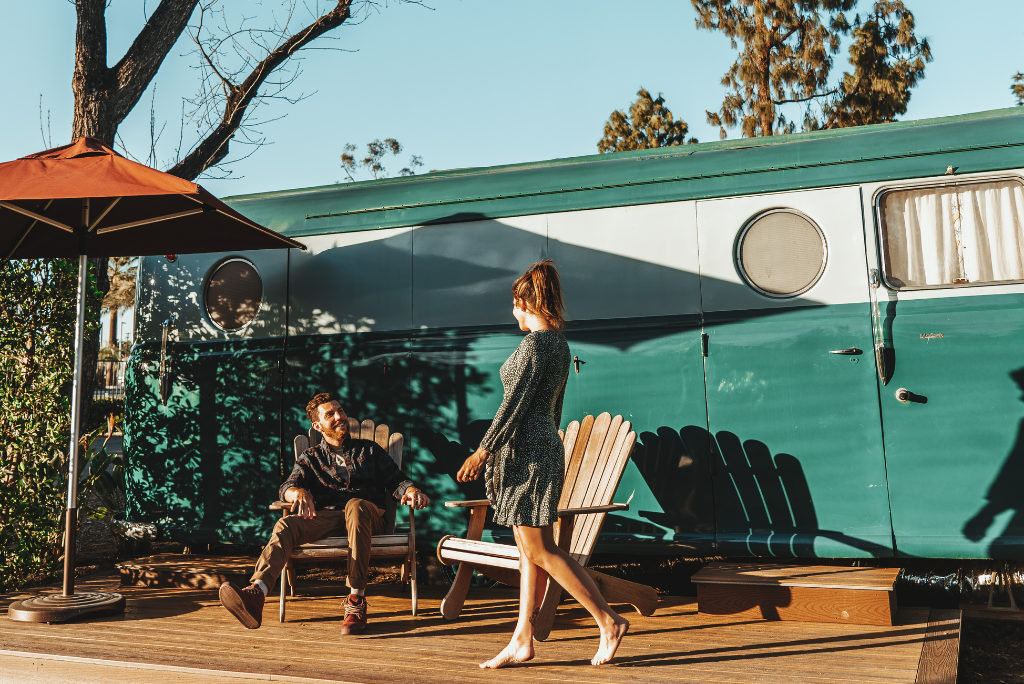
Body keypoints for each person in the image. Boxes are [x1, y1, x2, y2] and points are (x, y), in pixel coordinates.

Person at [456, 259, 629, 668]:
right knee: (526, 548)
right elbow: (553, 407)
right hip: (536, 448)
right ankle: (522, 637)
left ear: (522, 302)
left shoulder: (536, 345)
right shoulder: (559, 344)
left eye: (513, 305)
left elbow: (513, 405)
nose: (511, 313)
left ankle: (608, 620)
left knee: (539, 547)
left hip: (530, 452)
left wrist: (483, 450)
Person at [219, 393, 430, 634]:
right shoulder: (310, 458)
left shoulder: (369, 450)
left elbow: (398, 480)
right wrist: (297, 493)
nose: (340, 416)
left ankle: (356, 601)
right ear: (317, 426)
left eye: (340, 410)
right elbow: (286, 487)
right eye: (330, 414)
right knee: (286, 525)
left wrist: (412, 491)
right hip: (329, 519)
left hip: (368, 518)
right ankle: (257, 593)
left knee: (356, 506)